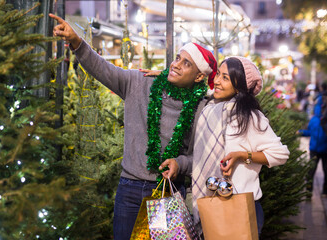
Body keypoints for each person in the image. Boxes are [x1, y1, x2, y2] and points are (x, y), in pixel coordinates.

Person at [49, 14, 217, 240]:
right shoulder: (140, 82)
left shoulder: (201, 107)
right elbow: (102, 69)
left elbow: (203, 156)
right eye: (178, 58)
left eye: (186, 63)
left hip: (167, 192)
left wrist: (181, 163)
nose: (176, 64)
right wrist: (77, 42)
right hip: (129, 189)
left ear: (199, 76)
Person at [189, 56, 290, 237]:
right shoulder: (209, 109)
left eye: (225, 78)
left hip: (238, 208)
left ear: (240, 86)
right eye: (218, 74)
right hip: (210, 204)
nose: (217, 81)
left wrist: (242, 155)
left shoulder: (249, 116)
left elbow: (280, 154)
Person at [299, 83, 327, 196]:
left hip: (324, 149)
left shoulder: (319, 120)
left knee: (325, 171)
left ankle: (324, 191)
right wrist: (300, 132)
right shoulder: (314, 120)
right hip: (315, 149)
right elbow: (310, 132)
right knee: (311, 171)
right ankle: (309, 191)